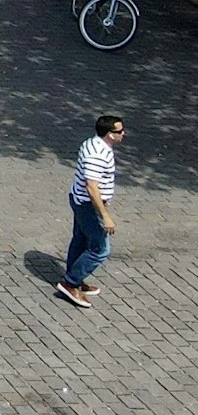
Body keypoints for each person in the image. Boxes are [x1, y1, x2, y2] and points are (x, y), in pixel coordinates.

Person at [56, 115, 124, 307]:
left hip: (79, 199)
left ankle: (74, 277)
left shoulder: (93, 143)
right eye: (120, 131)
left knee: (80, 239)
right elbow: (92, 187)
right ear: (110, 134)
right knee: (100, 249)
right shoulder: (98, 154)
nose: (123, 134)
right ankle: (70, 283)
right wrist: (106, 216)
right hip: (88, 205)